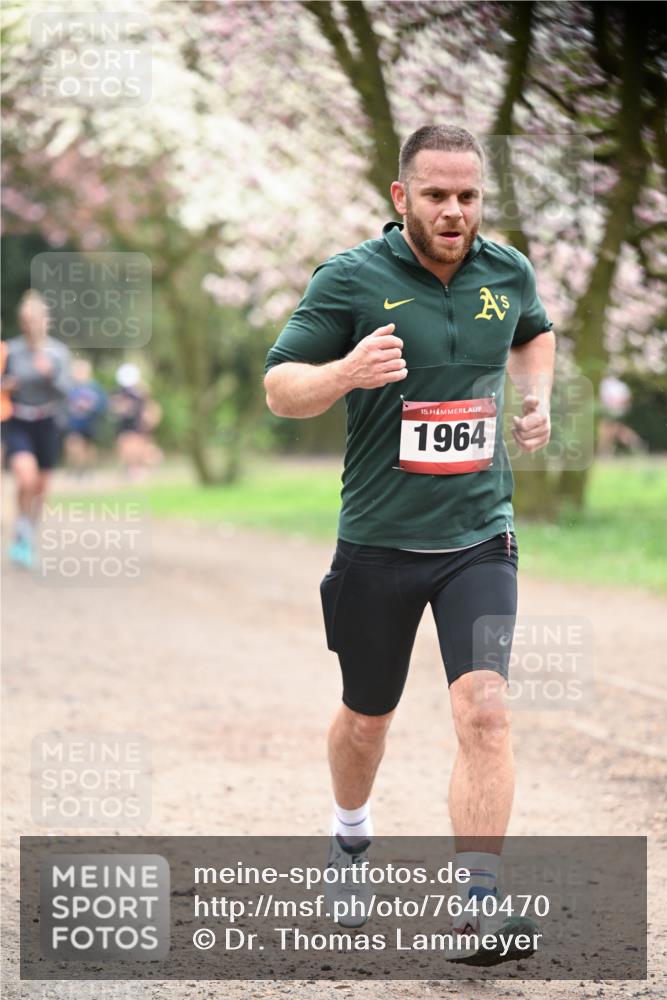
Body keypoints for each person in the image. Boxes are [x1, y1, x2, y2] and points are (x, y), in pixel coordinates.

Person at [264, 125, 555, 964]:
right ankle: (350, 839)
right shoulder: (350, 279)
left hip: (478, 537)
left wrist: (534, 399)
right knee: (366, 719)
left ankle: (475, 907)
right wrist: (343, 373)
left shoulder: (507, 270)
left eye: (467, 196)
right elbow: (281, 388)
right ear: (402, 199)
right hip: (380, 545)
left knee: (486, 711)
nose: (454, 211)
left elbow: (533, 331)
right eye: (436, 195)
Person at [2, 290, 72, 568]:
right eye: (27, 320)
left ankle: (28, 533)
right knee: (25, 476)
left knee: (41, 487)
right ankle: (21, 529)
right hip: (18, 419)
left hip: (48, 422)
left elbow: (67, 390)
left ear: (46, 320)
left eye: (37, 319)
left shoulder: (58, 352)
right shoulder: (10, 349)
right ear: (22, 322)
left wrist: (50, 375)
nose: (32, 324)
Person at [109, 363, 162, 480]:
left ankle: (137, 468)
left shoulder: (141, 393)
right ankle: (132, 469)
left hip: (137, 425)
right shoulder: (118, 392)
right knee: (125, 447)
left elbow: (150, 408)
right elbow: (116, 407)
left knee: (137, 448)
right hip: (124, 425)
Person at [64, 358, 108, 476]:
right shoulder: (70, 386)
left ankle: (87, 470)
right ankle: (76, 469)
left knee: (89, 447)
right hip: (75, 423)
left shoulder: (95, 387)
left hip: (91, 422)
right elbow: (64, 404)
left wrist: (90, 407)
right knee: (73, 444)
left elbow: (103, 404)